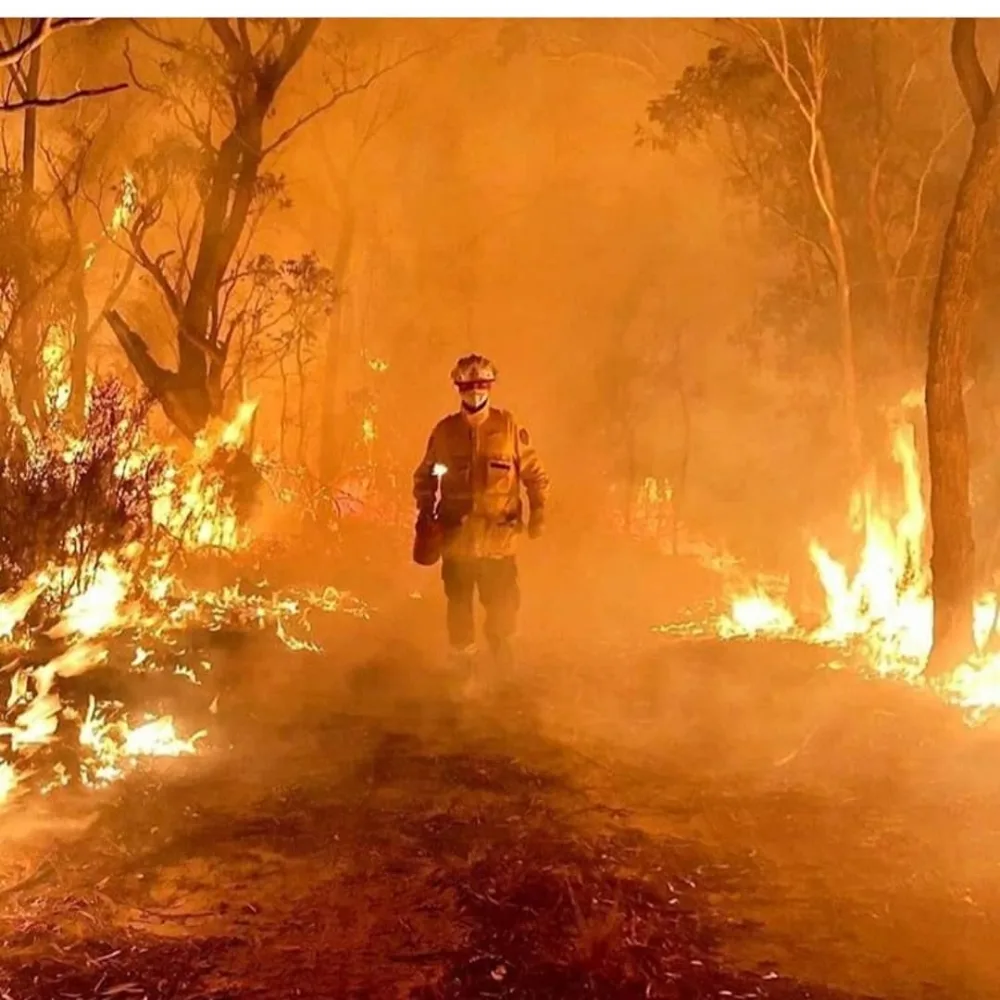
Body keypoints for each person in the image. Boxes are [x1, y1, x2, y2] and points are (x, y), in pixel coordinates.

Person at [412, 353, 550, 669]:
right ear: (458, 387)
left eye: (482, 384)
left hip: (499, 542)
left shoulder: (509, 427)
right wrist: (425, 512)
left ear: (491, 386)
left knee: (502, 607)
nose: (475, 391)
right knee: (459, 606)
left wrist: (539, 509)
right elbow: (425, 476)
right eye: (468, 385)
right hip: (456, 540)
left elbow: (535, 474)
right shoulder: (444, 432)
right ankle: (462, 669)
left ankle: (502, 664)